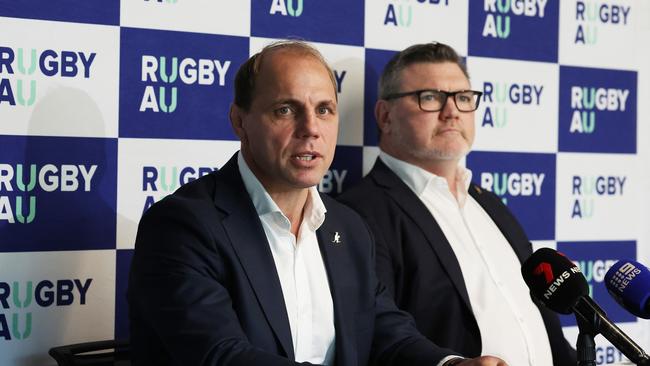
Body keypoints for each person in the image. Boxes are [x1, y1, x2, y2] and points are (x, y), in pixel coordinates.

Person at [127, 40, 507, 366]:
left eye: (324, 109)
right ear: (239, 121)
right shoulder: (183, 225)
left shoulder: (348, 226)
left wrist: (450, 363)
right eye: (286, 110)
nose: (311, 128)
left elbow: (383, 331)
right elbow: (220, 355)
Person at [338, 42, 577, 366]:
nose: (452, 111)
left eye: (463, 98)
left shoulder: (490, 204)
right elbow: (376, 329)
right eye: (431, 97)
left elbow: (538, 322)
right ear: (385, 116)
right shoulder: (358, 212)